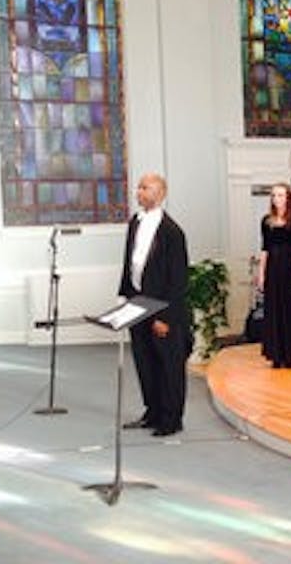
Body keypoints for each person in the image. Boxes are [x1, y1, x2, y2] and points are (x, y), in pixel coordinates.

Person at [119, 173, 190, 437]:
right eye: (138, 187)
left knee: (168, 364)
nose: (138, 192)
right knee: (144, 361)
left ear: (160, 194)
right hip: (137, 302)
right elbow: (130, 262)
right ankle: (153, 411)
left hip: (162, 307)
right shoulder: (135, 223)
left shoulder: (172, 232)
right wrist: (124, 296)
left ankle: (171, 418)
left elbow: (178, 279)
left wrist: (166, 317)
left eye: (144, 188)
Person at [257, 183, 291, 369]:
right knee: (274, 309)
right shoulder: (266, 221)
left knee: (290, 309)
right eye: (274, 195)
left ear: (288, 198)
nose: (277, 199)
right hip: (274, 268)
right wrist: (261, 274)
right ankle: (276, 354)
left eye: (281, 195)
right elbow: (265, 249)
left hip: (290, 266)